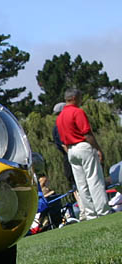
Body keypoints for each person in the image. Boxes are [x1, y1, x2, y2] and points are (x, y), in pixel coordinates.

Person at [55, 89, 113, 220]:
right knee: (95, 179)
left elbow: (62, 140)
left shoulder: (59, 118)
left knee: (81, 184)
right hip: (83, 146)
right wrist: (98, 149)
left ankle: (90, 213)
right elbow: (87, 133)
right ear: (74, 98)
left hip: (70, 150)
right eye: (80, 97)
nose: (81, 100)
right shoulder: (77, 112)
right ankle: (103, 211)